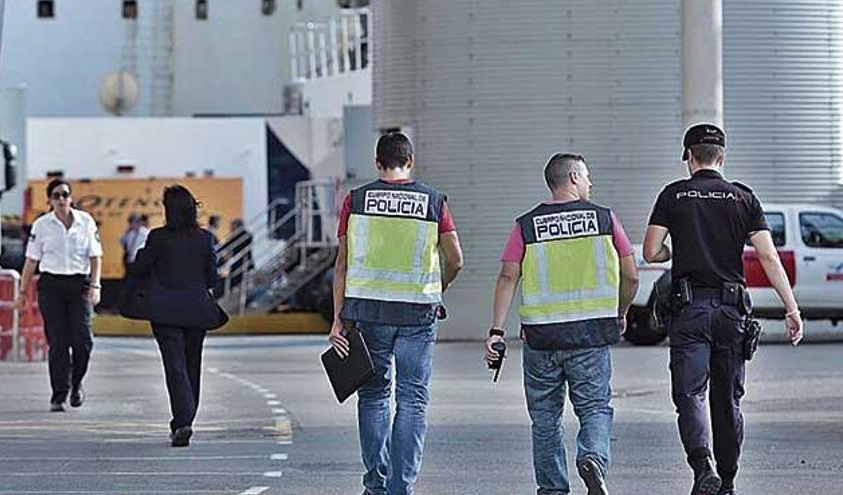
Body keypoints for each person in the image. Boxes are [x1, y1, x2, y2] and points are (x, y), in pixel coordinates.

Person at [643, 123, 804, 495]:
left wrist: (677, 251)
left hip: (690, 311)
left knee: (690, 394)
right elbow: (766, 254)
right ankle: (728, 481)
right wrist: (791, 308)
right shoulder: (743, 198)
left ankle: (703, 467)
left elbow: (652, 251)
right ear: (722, 157)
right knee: (727, 400)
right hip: (732, 312)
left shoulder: (673, 196)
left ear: (688, 156)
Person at [485, 153, 639, 495]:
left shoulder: (526, 225)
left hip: (542, 338)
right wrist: (621, 310)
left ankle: (553, 489)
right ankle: (593, 459)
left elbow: (508, 276)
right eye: (586, 176)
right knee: (595, 407)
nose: (590, 183)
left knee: (545, 419)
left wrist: (496, 331)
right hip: (590, 336)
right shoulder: (604, 219)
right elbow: (631, 275)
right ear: (572, 177)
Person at [329, 132, 464, 495]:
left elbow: (340, 265)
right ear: (411, 161)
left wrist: (338, 319)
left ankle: (376, 484)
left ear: (377, 163)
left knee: (373, 397)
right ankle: (400, 487)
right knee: (412, 398)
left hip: (367, 313)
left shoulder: (355, 201)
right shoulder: (434, 202)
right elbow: (456, 259)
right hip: (418, 315)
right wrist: (439, 287)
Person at [132, 185, 219, 447]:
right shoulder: (205, 238)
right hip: (196, 310)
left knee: (175, 366)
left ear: (168, 210)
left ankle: (182, 421)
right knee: (192, 365)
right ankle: (186, 418)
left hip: (165, 312)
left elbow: (140, 268)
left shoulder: (158, 238)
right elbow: (212, 276)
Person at [15, 178, 103, 412]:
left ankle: (76, 384)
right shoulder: (42, 226)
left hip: (79, 285)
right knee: (58, 341)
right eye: (56, 195)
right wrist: (22, 292)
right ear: (50, 200)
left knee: (83, 340)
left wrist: (95, 286)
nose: (61, 199)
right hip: (52, 286)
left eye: (65, 194)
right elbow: (31, 261)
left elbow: (95, 257)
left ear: (71, 197)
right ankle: (59, 393)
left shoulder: (86, 222)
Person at [217, 218, 254, 292]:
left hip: (243, 263)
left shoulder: (244, 235)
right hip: (237, 264)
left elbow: (228, 245)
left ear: (236, 226)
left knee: (240, 282)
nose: (230, 228)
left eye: (232, 226)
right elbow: (225, 246)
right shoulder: (236, 236)